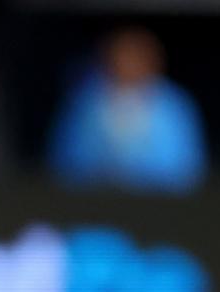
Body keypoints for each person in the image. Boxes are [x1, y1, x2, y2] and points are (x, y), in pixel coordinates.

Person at [48, 26, 206, 194]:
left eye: (135, 57)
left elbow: (186, 167)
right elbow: (64, 161)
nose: (127, 64)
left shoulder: (174, 105)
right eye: (120, 56)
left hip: (159, 203)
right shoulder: (84, 103)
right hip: (94, 201)